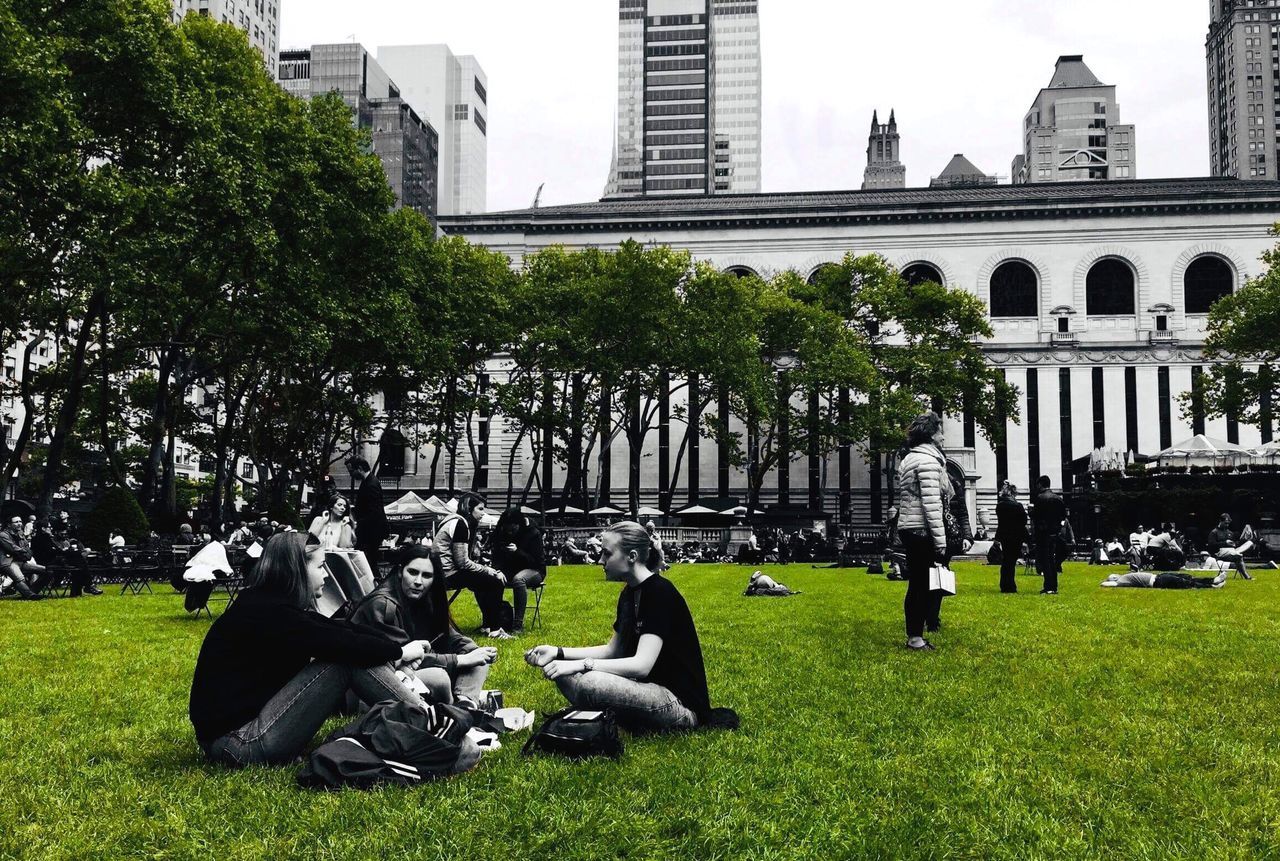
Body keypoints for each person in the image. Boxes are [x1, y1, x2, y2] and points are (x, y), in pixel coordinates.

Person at [188, 533, 478, 771]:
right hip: (238, 744)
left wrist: (396, 648)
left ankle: (434, 724)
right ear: (298, 569)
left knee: (349, 652)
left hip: (240, 735)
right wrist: (399, 653)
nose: (326, 575)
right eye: (320, 567)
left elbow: (341, 629)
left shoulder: (270, 607)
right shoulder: (270, 614)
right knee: (344, 661)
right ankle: (438, 730)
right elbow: (342, 643)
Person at [524, 521, 710, 732]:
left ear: (631, 557)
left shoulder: (660, 592)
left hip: (678, 704)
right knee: (561, 669)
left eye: (607, 554)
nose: (600, 560)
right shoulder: (629, 593)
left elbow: (642, 665)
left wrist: (582, 664)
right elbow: (613, 650)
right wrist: (557, 652)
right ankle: (602, 710)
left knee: (590, 683)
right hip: (645, 688)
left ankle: (598, 709)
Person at [349, 544, 497, 706]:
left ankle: (466, 703)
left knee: (478, 659)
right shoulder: (383, 605)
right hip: (377, 682)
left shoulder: (425, 600)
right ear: (400, 572)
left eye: (426, 575)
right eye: (412, 572)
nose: (418, 581)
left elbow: (451, 637)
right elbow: (403, 658)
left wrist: (473, 651)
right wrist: (459, 660)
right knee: (439, 678)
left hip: (411, 674)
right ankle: (456, 709)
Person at [895, 411, 948, 650]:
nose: (944, 437)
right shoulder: (927, 461)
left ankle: (914, 634)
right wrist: (940, 540)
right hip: (921, 529)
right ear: (932, 433)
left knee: (916, 583)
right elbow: (931, 502)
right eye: (941, 430)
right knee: (921, 585)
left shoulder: (909, 459)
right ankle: (915, 638)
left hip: (909, 526)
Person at [432, 492, 511, 639]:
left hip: (442, 571)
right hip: (448, 574)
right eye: (480, 509)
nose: (483, 513)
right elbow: (462, 563)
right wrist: (489, 570)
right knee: (495, 581)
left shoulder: (454, 521)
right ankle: (495, 630)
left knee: (483, 582)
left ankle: (488, 626)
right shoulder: (460, 524)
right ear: (469, 508)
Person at [491, 507, 546, 633]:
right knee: (489, 577)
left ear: (519, 525)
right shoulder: (501, 532)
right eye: (507, 529)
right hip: (509, 569)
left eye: (513, 529)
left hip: (534, 570)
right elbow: (496, 557)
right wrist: (496, 570)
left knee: (519, 579)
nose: (510, 532)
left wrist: (518, 552)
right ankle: (492, 621)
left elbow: (536, 561)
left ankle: (517, 625)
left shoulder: (533, 534)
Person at [349, 457, 390, 568]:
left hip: (371, 532)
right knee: (367, 562)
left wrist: (358, 523)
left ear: (360, 468)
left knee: (367, 563)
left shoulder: (371, 484)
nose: (350, 475)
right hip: (370, 531)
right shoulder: (369, 481)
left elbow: (374, 512)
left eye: (351, 471)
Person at [1031, 475, 1067, 595]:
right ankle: (1053, 585)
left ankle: (1048, 586)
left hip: (1043, 533)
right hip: (1054, 533)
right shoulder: (1058, 498)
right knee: (1052, 559)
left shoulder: (1040, 498)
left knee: (1045, 560)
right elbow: (1063, 516)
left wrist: (1030, 512)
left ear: (1040, 484)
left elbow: (1036, 516)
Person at [0, 514, 45, 600]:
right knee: (19, 578)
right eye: (16, 522)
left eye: (20, 521)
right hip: (8, 562)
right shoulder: (2, 535)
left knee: (46, 571)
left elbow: (27, 547)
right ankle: (30, 595)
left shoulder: (21, 534)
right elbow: (12, 548)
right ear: (9, 524)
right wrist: (25, 551)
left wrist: (28, 553)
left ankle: (32, 591)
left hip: (21, 562)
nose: (19, 523)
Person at [994, 481, 1026, 593]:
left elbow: (1001, 523)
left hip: (1004, 536)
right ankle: (1010, 585)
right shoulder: (1018, 506)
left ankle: (1004, 584)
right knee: (1011, 561)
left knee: (1006, 560)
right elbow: (1023, 521)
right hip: (1016, 537)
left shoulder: (1000, 506)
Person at [1101, 570, 1226, 589]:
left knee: (1187, 577)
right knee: (1186, 582)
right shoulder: (1121, 581)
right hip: (1157, 581)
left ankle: (1213, 579)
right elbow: (1105, 584)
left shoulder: (1125, 577)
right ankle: (1212, 585)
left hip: (1159, 577)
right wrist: (1107, 581)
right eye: (1114, 576)